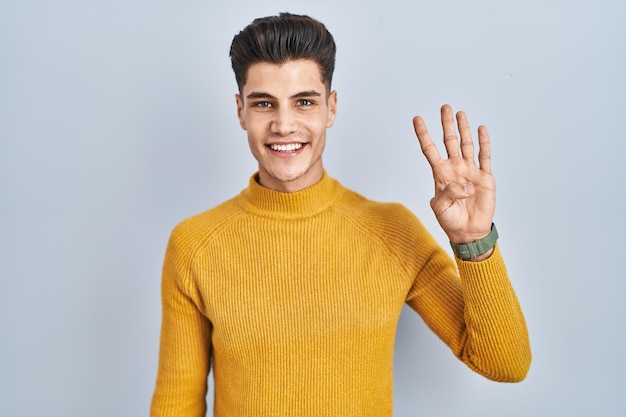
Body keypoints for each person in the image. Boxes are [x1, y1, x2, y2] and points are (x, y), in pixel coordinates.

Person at [150, 12, 531, 417]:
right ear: (241, 111)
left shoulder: (393, 231)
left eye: (304, 102)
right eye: (264, 104)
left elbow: (505, 364)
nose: (284, 124)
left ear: (330, 108)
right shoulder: (194, 244)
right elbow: (176, 404)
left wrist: (474, 242)